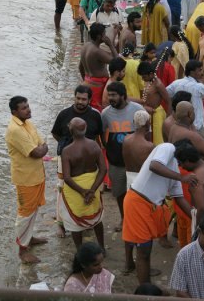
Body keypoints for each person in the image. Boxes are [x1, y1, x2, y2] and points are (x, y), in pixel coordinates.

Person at [123, 142, 198, 283]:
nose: (187, 170)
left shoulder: (176, 172)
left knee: (145, 249)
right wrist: (181, 178)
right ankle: (146, 292)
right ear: (186, 160)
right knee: (144, 250)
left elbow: (180, 199)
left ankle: (143, 274)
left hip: (151, 207)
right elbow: (154, 166)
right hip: (137, 202)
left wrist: (197, 218)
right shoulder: (168, 148)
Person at [51, 85, 103, 238]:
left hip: (88, 161)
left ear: (89, 100)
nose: (80, 102)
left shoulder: (95, 115)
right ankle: (61, 223)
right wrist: (67, 146)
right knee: (62, 190)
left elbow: (99, 135)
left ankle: (86, 219)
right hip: (66, 159)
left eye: (84, 99)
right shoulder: (64, 114)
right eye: (78, 98)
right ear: (74, 97)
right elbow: (55, 133)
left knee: (91, 190)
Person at [5, 96, 48, 263]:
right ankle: (23, 252)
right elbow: (38, 152)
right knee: (25, 214)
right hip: (26, 179)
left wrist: (41, 148)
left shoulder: (27, 123)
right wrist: (41, 148)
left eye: (28, 106)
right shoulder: (14, 129)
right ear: (15, 112)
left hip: (36, 175)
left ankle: (29, 238)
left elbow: (43, 144)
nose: (28, 109)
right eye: (24, 108)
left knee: (33, 210)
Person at [101, 82, 144, 231]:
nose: (110, 98)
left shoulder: (137, 110)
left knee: (137, 193)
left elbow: (146, 134)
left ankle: (137, 220)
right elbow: (102, 132)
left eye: (113, 95)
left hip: (135, 162)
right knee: (119, 193)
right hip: (116, 162)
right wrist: (108, 147)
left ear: (123, 95)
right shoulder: (106, 113)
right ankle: (124, 218)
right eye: (109, 95)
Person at [59, 118, 106, 249]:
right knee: (97, 219)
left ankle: (80, 252)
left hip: (76, 189)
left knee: (75, 226)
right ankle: (101, 247)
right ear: (85, 130)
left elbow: (67, 178)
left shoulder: (67, 151)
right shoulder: (94, 145)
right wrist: (92, 190)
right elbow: (103, 169)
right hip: (93, 185)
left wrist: (83, 192)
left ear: (71, 130)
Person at [122, 110, 154, 273]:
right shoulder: (149, 146)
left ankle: (128, 261)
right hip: (143, 185)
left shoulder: (126, 140)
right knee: (144, 226)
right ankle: (144, 264)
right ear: (148, 124)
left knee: (129, 223)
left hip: (129, 180)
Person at [79, 23, 118, 111]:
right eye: (104, 34)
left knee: (89, 110)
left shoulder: (85, 46)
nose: (106, 36)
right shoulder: (97, 51)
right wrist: (111, 45)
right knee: (98, 111)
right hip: (97, 87)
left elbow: (80, 67)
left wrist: (86, 81)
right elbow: (117, 62)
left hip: (87, 82)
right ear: (99, 36)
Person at [166, 60, 204, 137]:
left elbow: (166, 93)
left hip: (180, 125)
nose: (202, 73)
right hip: (197, 125)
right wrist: (200, 81)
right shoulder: (198, 86)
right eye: (200, 70)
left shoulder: (176, 83)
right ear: (192, 72)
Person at [138, 60, 171, 144]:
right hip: (148, 113)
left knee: (157, 142)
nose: (142, 79)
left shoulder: (158, 84)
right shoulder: (149, 81)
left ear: (151, 74)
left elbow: (169, 101)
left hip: (156, 114)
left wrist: (168, 119)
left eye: (144, 76)